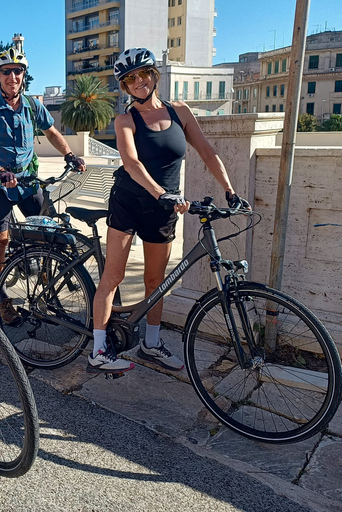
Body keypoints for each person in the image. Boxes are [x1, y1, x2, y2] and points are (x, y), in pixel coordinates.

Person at [87, 48, 249, 374]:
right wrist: (162, 193)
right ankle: (99, 349)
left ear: (154, 73)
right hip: (130, 202)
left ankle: (151, 342)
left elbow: (207, 151)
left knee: (155, 281)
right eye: (129, 79)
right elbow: (131, 163)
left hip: (163, 208)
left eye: (142, 73)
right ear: (124, 85)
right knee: (113, 276)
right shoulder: (125, 120)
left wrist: (230, 191)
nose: (138, 82)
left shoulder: (180, 112)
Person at [0, 47, 87, 325]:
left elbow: (52, 132)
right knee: (0, 241)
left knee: (49, 231)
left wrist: (69, 154)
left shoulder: (32, 105)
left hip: (29, 182)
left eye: (17, 71)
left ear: (23, 75)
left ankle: (45, 275)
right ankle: (2, 297)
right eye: (6, 71)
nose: (12, 76)